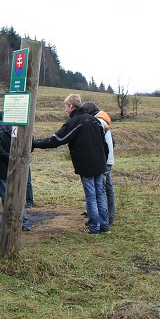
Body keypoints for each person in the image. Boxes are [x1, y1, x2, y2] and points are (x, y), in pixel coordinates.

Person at [32, 94, 110, 234]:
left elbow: (56, 139)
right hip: (99, 163)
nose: (65, 110)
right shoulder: (95, 121)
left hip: (87, 165)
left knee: (91, 196)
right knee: (100, 194)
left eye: (66, 106)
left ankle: (94, 227)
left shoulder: (75, 122)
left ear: (71, 106)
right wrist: (103, 160)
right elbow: (105, 146)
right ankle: (104, 226)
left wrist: (34, 143)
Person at [0, 111, 32, 231]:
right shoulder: (16, 131)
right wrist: (17, 160)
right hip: (18, 168)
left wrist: (11, 159)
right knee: (17, 197)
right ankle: (23, 222)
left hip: (2, 169)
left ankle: (12, 221)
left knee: (6, 197)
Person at [81, 101, 116, 225]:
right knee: (108, 190)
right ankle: (109, 218)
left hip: (103, 161)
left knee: (101, 191)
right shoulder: (102, 121)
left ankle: (103, 220)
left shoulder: (98, 122)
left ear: (88, 112)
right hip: (108, 160)